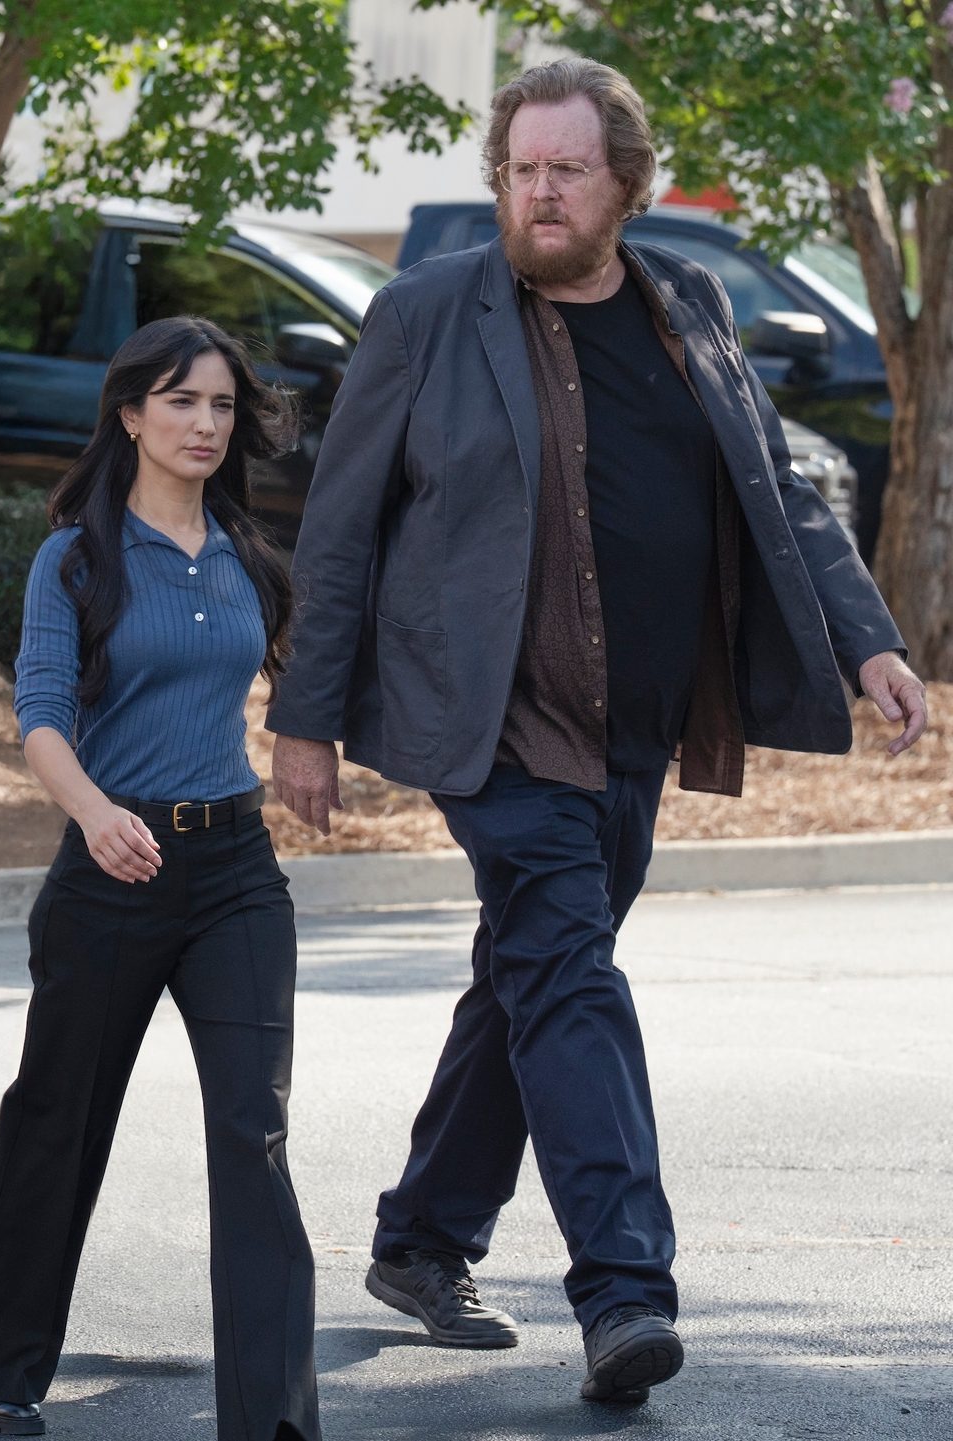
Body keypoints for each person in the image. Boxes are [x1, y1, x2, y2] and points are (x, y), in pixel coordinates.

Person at [267, 58, 930, 1407]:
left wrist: (868, 638)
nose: (540, 192)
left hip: (639, 721)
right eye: (520, 170)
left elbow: (778, 489)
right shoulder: (425, 313)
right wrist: (307, 721)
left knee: (531, 976)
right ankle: (624, 1291)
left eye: (567, 169)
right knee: (570, 974)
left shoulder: (688, 306)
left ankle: (422, 1237)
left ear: (627, 183)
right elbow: (337, 531)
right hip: (494, 721)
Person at [0, 317, 318, 1441]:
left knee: (254, 1129)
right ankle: (2, 1367)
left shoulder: (248, 555)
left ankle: (273, 1419)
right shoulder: (78, 558)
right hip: (112, 864)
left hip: (236, 867)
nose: (205, 424)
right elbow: (41, 714)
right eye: (181, 401)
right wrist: (95, 812)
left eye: (221, 406)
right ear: (130, 415)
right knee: (60, 1116)